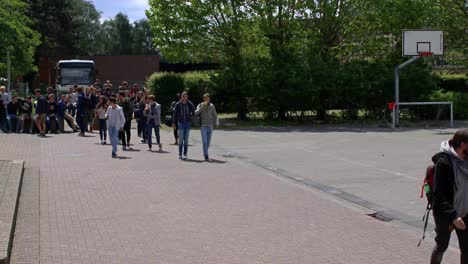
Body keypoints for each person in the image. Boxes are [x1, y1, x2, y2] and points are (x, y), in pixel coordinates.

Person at [431, 130, 468, 264]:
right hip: (445, 213)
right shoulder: (444, 162)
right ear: (463, 144)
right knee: (442, 245)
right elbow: (439, 195)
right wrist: (453, 216)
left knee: (467, 248)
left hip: (465, 210)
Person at [195, 93, 219, 161]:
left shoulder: (212, 106)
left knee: (208, 142)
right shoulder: (200, 105)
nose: (205, 99)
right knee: (204, 141)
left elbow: (215, 115)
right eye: (204, 98)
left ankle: (205, 152)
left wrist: (216, 122)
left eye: (206, 98)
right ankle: (206, 155)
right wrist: (201, 107)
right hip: (203, 126)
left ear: (209, 99)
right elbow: (196, 113)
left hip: (210, 126)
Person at [172, 91, 195, 160]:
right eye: (182, 96)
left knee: (186, 139)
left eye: (185, 96)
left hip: (187, 123)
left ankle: (185, 154)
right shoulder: (178, 104)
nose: (183, 97)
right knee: (181, 139)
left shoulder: (189, 104)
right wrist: (173, 122)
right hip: (181, 123)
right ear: (181, 97)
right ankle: (180, 154)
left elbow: (193, 111)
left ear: (187, 97)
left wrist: (191, 117)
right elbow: (175, 114)